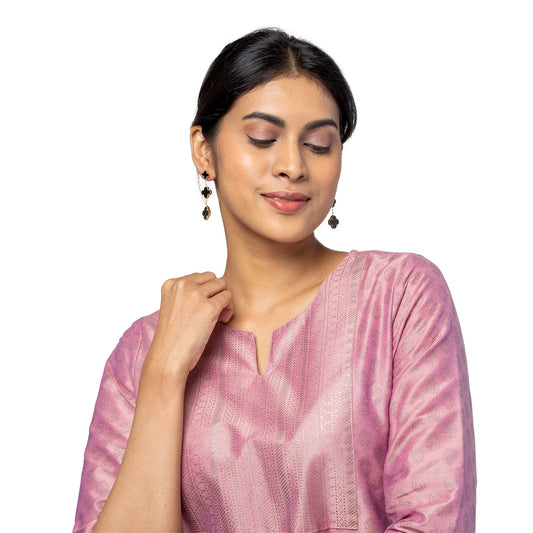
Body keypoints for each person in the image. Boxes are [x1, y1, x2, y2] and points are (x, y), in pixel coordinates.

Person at [73, 28, 476, 532]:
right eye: (263, 138)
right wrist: (164, 375)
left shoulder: (399, 298)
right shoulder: (142, 353)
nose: (293, 166)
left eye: (319, 145)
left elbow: (435, 518)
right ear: (203, 151)